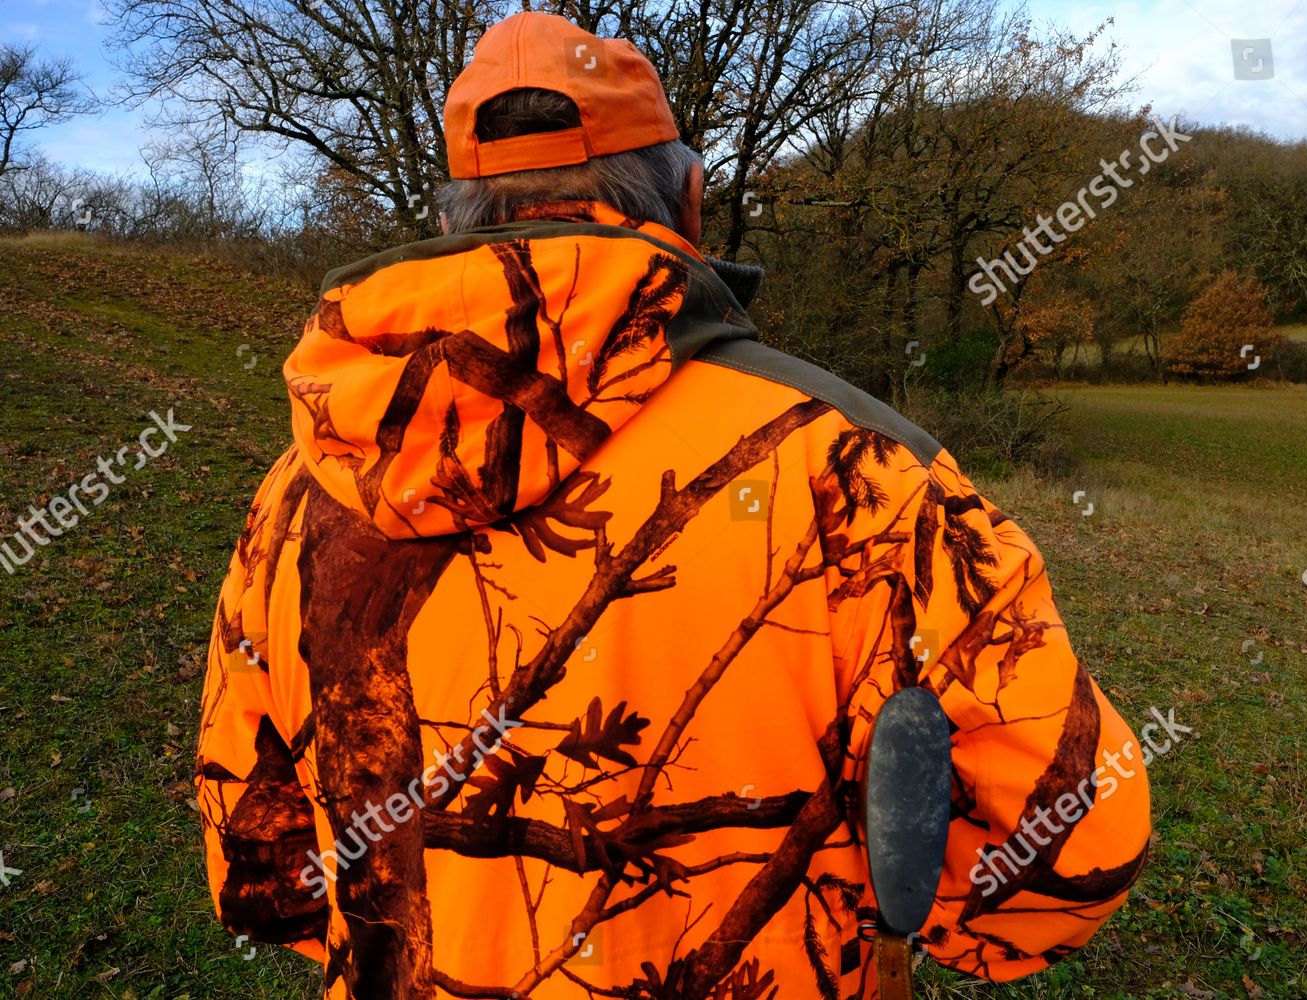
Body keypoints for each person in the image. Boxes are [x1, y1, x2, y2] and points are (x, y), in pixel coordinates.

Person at [194, 12, 1151, 999]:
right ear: (689, 198)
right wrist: (906, 900)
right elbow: (1075, 842)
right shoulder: (861, 468)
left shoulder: (298, 489)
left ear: (452, 222)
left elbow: (260, 867)